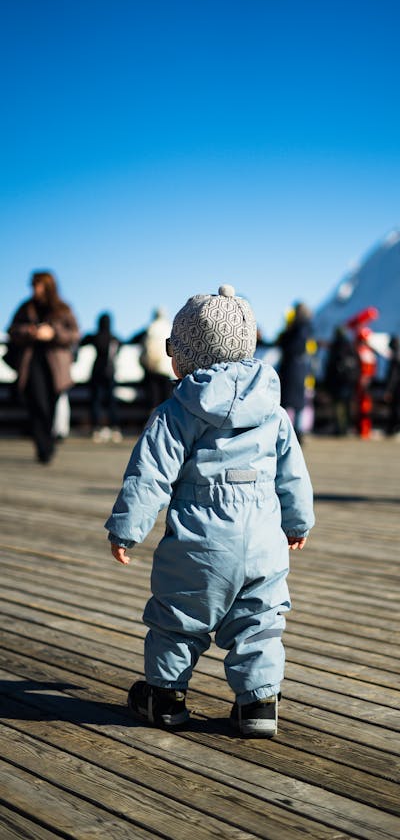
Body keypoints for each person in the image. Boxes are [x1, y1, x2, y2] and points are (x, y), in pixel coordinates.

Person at [105, 284, 314, 738]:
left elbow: (150, 475)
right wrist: (298, 522)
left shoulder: (176, 412)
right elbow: (292, 474)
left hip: (199, 542)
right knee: (259, 623)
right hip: (263, 541)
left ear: (191, 355)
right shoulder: (274, 412)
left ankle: (165, 698)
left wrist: (127, 529)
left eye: (174, 350)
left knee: (178, 619)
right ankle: (258, 705)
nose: (171, 359)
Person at [7, 271, 80, 464]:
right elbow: (12, 330)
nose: (34, 289)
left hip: (55, 365)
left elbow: (74, 334)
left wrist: (53, 333)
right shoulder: (25, 307)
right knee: (38, 403)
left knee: (51, 405)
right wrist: (30, 331)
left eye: (38, 285)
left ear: (48, 286)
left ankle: (47, 443)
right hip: (32, 363)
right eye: (33, 285)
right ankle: (43, 447)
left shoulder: (63, 309)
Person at [80, 313, 122, 442]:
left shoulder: (95, 336)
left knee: (96, 401)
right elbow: (122, 345)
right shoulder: (114, 338)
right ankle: (114, 428)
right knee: (111, 401)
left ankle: (96, 429)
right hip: (110, 372)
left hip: (97, 371)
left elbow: (82, 342)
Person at [276, 302, 313, 442]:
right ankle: (296, 432)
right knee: (296, 403)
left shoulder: (298, 328)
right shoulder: (304, 327)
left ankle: (290, 431)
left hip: (292, 369)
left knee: (287, 402)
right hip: (298, 369)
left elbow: (290, 346)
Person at [137, 308, 176, 412]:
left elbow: (144, 346)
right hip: (167, 368)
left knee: (154, 399)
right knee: (166, 398)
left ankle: (154, 420)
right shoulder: (170, 327)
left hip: (153, 368)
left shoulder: (151, 328)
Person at [323, 326, 359, 435]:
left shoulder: (336, 346)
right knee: (347, 404)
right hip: (349, 381)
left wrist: (327, 382)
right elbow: (357, 364)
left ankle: (340, 428)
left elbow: (330, 365)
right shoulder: (350, 345)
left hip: (337, 381)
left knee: (338, 405)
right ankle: (347, 427)